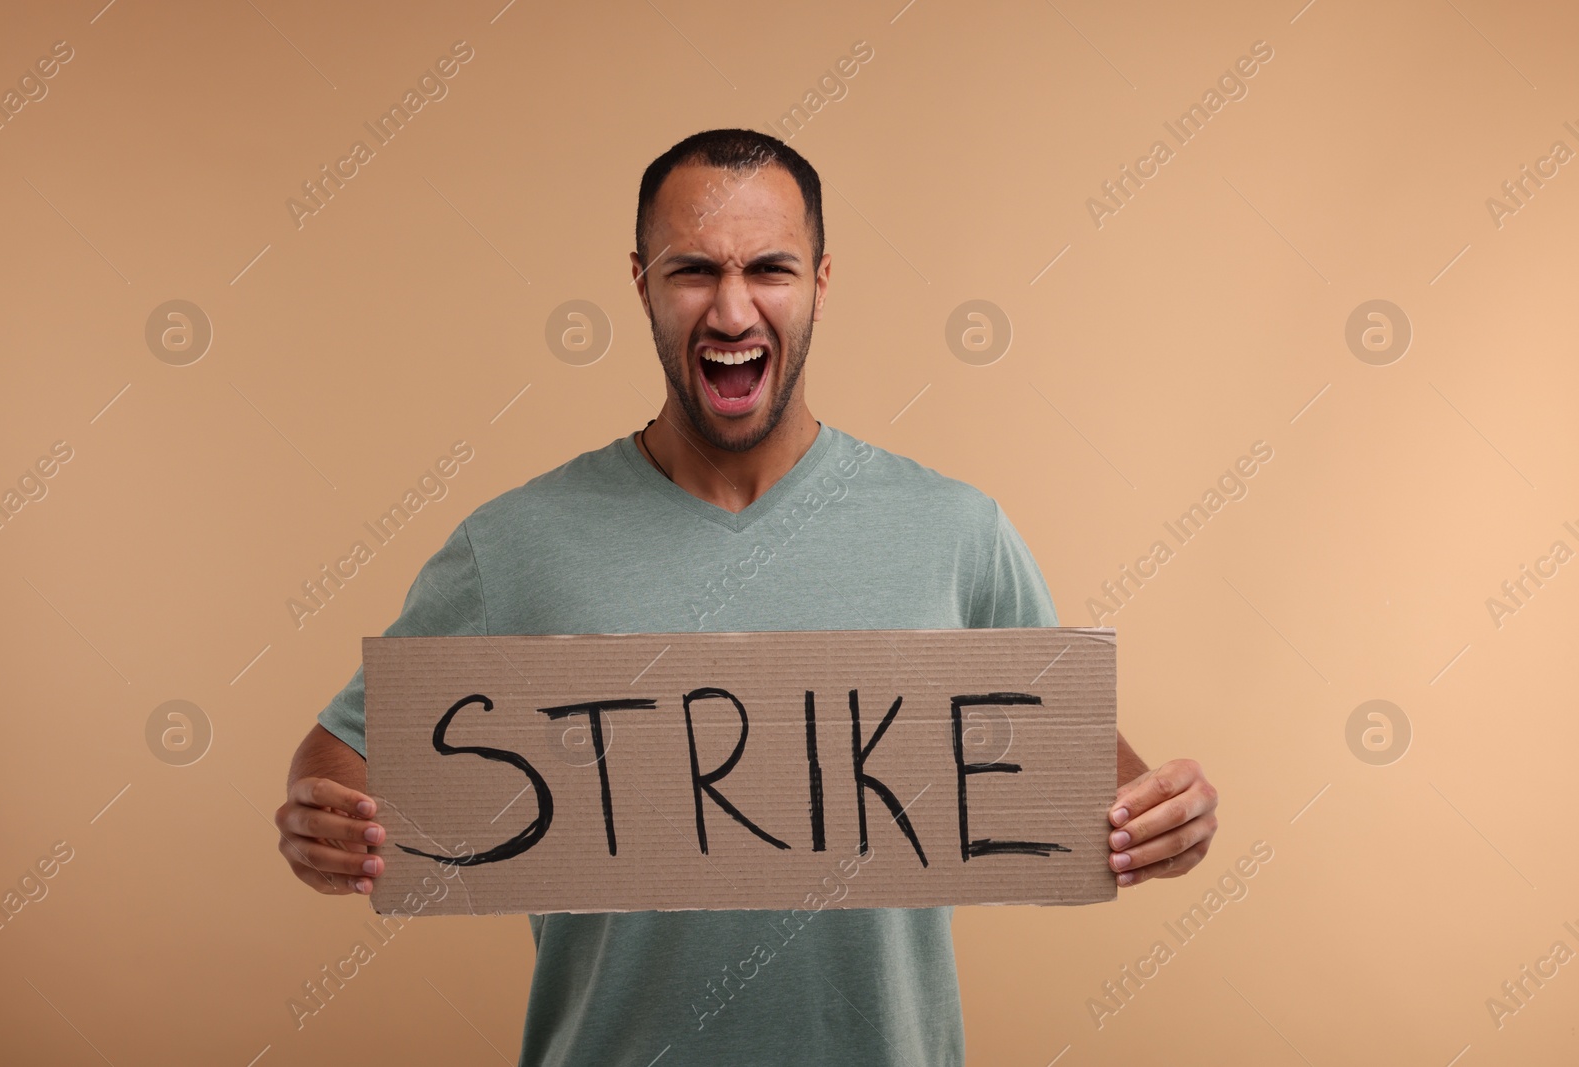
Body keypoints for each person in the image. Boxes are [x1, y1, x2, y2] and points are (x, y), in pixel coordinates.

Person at [276, 128, 1218, 1064]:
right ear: (641, 282)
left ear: (821, 280)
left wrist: (1165, 818)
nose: (732, 311)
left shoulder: (957, 531)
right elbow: (346, 749)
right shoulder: (516, 543)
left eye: (769, 267)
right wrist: (325, 820)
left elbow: (1094, 780)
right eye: (693, 271)